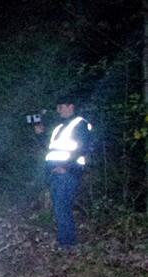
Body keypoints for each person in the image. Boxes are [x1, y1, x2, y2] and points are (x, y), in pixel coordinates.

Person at [34, 96, 92, 249]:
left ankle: (68, 244)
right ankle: (64, 242)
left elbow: (83, 148)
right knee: (60, 209)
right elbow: (51, 149)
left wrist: (66, 167)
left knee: (62, 208)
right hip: (55, 174)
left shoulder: (80, 124)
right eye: (58, 107)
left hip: (68, 174)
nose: (58, 110)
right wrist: (40, 135)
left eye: (61, 107)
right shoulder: (60, 128)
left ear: (70, 106)